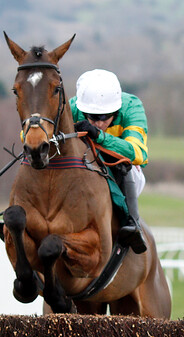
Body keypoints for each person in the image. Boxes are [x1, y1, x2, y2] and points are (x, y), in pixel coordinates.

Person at [69, 69, 149, 254]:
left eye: (105, 116)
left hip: (123, 170)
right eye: (93, 117)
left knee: (125, 165)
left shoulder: (132, 106)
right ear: (82, 110)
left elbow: (139, 154)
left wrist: (100, 137)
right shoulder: (72, 108)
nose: (99, 123)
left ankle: (132, 223)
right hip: (81, 164)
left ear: (117, 109)